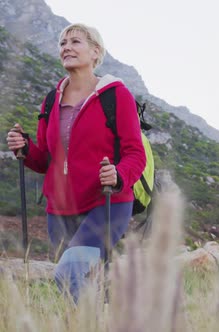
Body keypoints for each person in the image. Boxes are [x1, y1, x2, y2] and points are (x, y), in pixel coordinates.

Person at [5, 23, 146, 302]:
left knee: (69, 273)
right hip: (59, 209)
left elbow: (135, 153)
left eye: (75, 41)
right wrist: (24, 148)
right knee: (87, 282)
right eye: (62, 43)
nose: (66, 47)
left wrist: (118, 174)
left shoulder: (115, 95)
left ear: (96, 52)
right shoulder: (50, 101)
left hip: (106, 203)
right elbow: (46, 159)